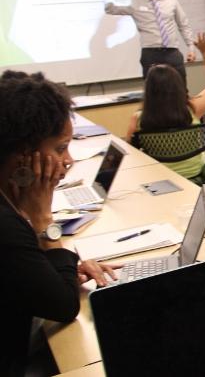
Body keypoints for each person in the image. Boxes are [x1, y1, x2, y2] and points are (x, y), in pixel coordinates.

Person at [0, 71, 118, 377]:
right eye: (60, 148)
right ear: (24, 156)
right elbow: (63, 307)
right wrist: (43, 220)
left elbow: (23, 274)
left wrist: (59, 269)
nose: (69, 160)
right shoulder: (7, 224)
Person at [126, 32, 205, 180]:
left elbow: (131, 152)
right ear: (178, 86)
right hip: (194, 174)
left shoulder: (138, 118)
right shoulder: (193, 109)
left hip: (159, 178)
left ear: (149, 90)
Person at [105, 0, 195, 83]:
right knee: (153, 90)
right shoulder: (135, 2)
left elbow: (183, 25)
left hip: (172, 51)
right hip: (150, 53)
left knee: (180, 87)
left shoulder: (171, 0)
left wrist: (191, 48)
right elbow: (110, 9)